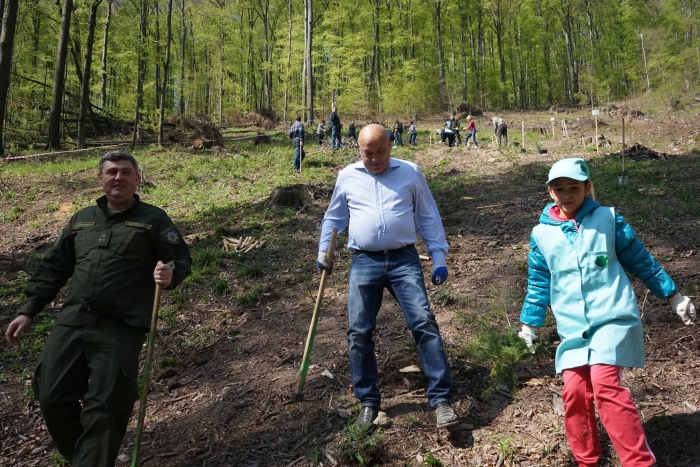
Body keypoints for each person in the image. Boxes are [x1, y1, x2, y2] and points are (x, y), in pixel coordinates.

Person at [5, 150, 192, 467]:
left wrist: (170, 274)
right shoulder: (81, 220)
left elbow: (180, 259)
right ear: (100, 179)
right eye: (111, 172)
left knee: (106, 404)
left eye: (125, 172)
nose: (118, 177)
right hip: (72, 320)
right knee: (51, 394)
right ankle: (80, 456)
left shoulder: (154, 219)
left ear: (137, 179)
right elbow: (54, 267)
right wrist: (28, 309)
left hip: (120, 325)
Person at [518, 158, 696, 467]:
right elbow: (538, 281)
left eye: (574, 188)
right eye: (559, 189)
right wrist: (529, 323)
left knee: (605, 383)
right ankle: (587, 461)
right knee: (574, 390)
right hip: (573, 328)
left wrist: (673, 295)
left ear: (587, 188)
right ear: (550, 193)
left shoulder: (608, 220)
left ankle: (638, 462)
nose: (567, 195)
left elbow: (641, 261)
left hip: (613, 316)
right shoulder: (541, 234)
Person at [316, 124, 458, 430]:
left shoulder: (410, 172)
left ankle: (442, 399)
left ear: (390, 148)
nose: (375, 159)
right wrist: (323, 252)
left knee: (423, 322)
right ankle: (368, 402)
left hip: (403, 258)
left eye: (381, 151)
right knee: (358, 331)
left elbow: (428, 215)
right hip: (364, 261)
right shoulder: (348, 176)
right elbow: (335, 217)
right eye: (368, 153)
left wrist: (438, 256)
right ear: (359, 150)